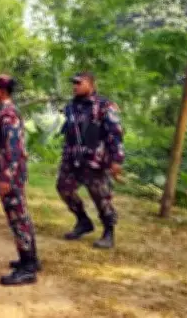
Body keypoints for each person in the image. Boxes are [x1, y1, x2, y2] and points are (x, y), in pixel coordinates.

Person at [57, 72, 124, 249]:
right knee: (64, 188)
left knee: (101, 196)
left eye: (79, 83)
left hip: (94, 159)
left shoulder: (104, 106)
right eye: (74, 83)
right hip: (72, 157)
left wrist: (116, 159)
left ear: (91, 84)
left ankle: (109, 232)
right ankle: (83, 221)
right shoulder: (71, 107)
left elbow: (115, 133)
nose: (75, 86)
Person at [0, 75, 40, 286]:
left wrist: (6, 177)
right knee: (19, 217)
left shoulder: (8, 114)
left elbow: (13, 149)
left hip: (10, 176)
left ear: (3, 90)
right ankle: (30, 259)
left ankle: (28, 268)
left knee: (18, 219)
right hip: (8, 175)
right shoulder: (1, 112)